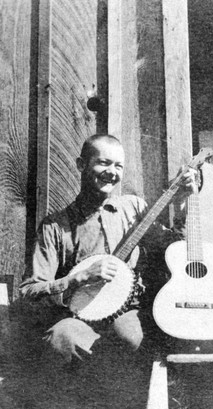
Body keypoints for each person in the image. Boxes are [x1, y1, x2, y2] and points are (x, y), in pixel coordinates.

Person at [19, 134, 196, 365]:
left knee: (132, 339)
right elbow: (29, 290)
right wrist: (79, 278)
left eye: (118, 166)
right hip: (78, 315)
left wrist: (181, 204)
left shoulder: (134, 209)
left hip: (127, 310)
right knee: (63, 338)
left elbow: (174, 249)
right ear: (81, 164)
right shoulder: (55, 226)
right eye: (103, 163)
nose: (112, 172)